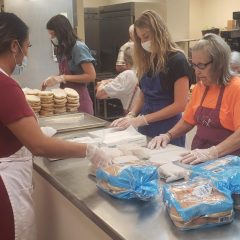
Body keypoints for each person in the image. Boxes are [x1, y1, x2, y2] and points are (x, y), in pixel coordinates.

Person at [0, 12, 111, 240]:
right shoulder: (6, 86)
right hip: (6, 189)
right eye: (26, 45)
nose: (26, 52)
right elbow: (39, 146)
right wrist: (88, 149)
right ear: (14, 46)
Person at [148, 33, 240, 165]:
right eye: (194, 65)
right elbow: (188, 121)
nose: (196, 72)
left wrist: (212, 152)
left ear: (219, 64)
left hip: (229, 163)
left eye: (201, 66)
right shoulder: (200, 87)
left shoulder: (236, 89)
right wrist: (168, 135)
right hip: (200, 158)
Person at [111, 10, 191, 147]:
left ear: (159, 32)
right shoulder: (147, 60)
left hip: (168, 130)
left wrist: (143, 119)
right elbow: (144, 93)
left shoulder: (177, 60)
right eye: (140, 38)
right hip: (146, 128)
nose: (144, 42)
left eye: (146, 36)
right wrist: (132, 115)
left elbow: (180, 105)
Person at [41, 14, 96, 115]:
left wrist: (62, 78)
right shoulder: (63, 48)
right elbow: (65, 72)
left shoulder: (78, 48)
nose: (52, 38)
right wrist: (54, 78)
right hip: (65, 99)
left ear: (61, 32)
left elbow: (91, 76)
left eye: (53, 34)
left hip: (80, 100)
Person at [96, 46, 139, 114]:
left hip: (134, 116)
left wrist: (102, 83)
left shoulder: (127, 75)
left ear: (125, 61)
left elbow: (100, 94)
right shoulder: (147, 71)